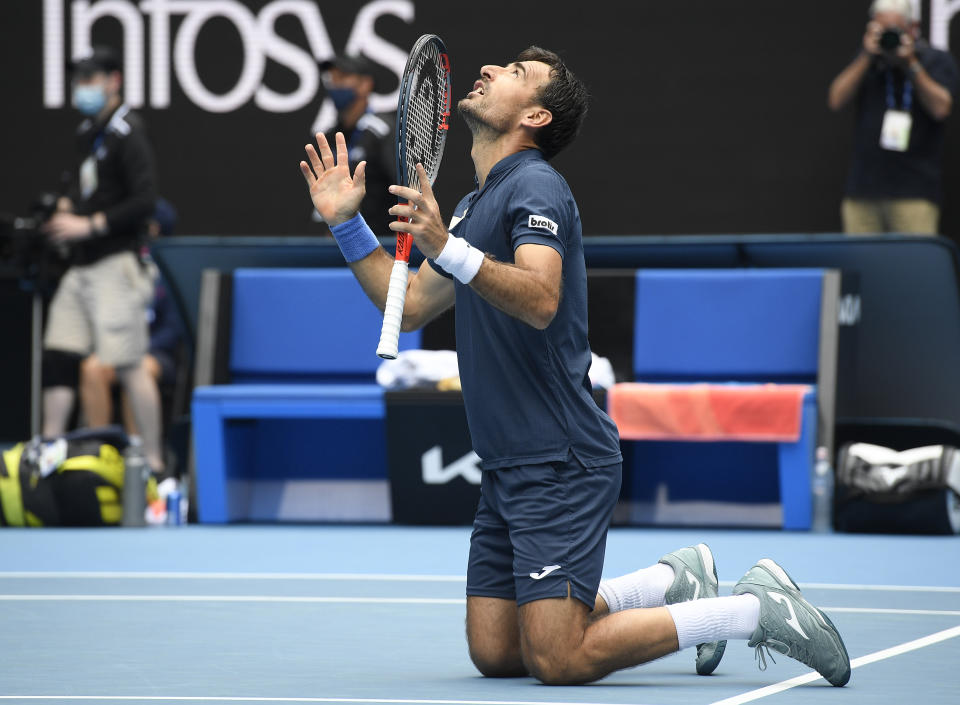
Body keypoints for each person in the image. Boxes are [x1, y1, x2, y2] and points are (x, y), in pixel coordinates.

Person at [298, 47, 851, 686]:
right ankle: (669, 581)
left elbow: (540, 298)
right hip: (507, 462)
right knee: (498, 651)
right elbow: (414, 305)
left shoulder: (535, 186)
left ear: (534, 114)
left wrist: (447, 248)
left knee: (558, 658)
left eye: (514, 73)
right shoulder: (475, 205)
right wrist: (345, 224)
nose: (489, 70)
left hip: (559, 458)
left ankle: (752, 611)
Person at [40, 46, 165, 475]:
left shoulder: (130, 132)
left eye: (91, 79)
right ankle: (48, 454)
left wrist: (89, 224)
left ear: (114, 82)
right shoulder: (87, 133)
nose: (83, 88)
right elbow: (88, 188)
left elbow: (144, 201)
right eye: (79, 79)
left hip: (116, 265)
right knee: (58, 352)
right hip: (82, 267)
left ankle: (153, 463)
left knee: (128, 363)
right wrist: (66, 206)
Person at [828, 0, 958, 234]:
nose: (889, 36)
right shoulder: (867, 60)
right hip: (864, 189)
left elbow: (941, 108)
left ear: (912, 28)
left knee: (913, 266)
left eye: (895, 29)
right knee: (863, 266)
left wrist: (910, 63)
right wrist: (866, 56)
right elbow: (836, 99)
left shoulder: (934, 60)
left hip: (914, 190)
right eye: (882, 29)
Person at [79, 200, 182, 452]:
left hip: (157, 354)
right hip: (119, 347)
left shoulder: (171, 268)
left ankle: (140, 453)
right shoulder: (120, 263)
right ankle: (98, 449)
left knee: (134, 368)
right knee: (92, 367)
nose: (144, 232)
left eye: (150, 226)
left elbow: (173, 327)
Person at [313, 55, 395, 235]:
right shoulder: (328, 137)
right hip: (342, 242)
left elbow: (405, 189)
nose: (335, 85)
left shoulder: (382, 132)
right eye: (332, 79)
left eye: (342, 77)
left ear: (365, 84)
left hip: (383, 243)